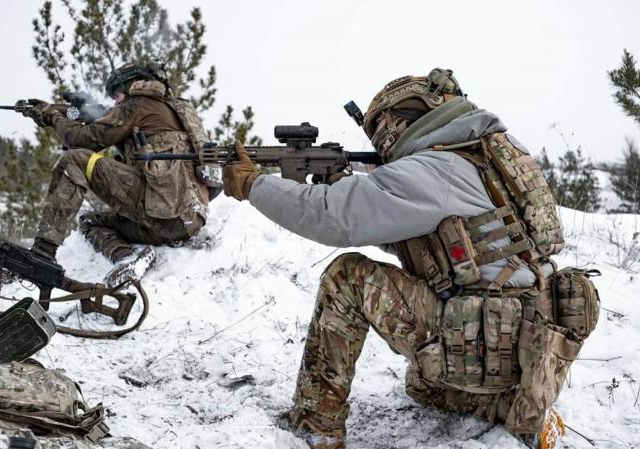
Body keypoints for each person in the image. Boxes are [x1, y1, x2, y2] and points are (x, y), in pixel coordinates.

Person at [222, 69, 597, 449]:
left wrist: (255, 185)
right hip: (525, 348)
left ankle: (314, 425)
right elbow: (439, 239)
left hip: (483, 340)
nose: (383, 142)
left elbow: (336, 217)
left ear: (404, 119)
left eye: (383, 128)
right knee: (423, 386)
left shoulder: (436, 169)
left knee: (346, 278)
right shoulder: (492, 155)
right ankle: (507, 405)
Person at [23, 63, 209, 282]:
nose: (115, 101)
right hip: (185, 223)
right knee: (91, 222)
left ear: (133, 86)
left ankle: (42, 253)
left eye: (117, 95)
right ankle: (128, 259)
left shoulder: (138, 105)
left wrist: (53, 116)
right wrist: (86, 111)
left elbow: (81, 140)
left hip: (164, 214)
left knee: (75, 159)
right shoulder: (176, 110)